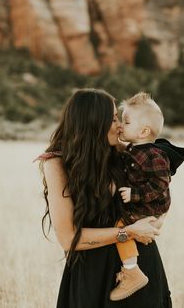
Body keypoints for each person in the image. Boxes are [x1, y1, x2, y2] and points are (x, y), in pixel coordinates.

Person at [37, 88, 173, 308]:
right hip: (92, 274)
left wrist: (157, 220)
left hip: (141, 266)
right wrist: (127, 232)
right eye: (112, 119)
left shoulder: (126, 153)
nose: (119, 125)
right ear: (93, 123)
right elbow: (68, 238)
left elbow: (161, 189)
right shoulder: (57, 164)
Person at [110, 92, 171, 301]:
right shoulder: (133, 149)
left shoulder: (153, 154)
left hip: (150, 205)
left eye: (126, 122)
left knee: (121, 226)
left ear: (144, 131)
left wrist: (135, 194)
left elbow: (161, 184)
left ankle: (132, 271)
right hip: (145, 205)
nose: (121, 125)